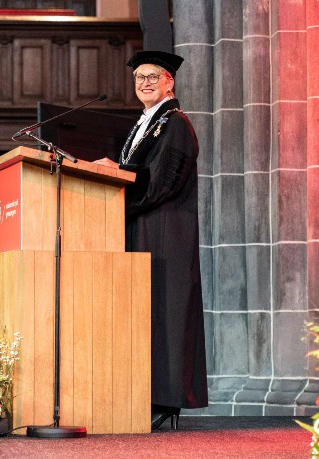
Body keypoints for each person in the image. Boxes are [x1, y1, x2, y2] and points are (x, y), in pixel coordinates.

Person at [95, 50, 207, 430]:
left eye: (151, 77)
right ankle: (145, 394)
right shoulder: (144, 122)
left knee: (165, 310)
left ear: (169, 81)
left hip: (165, 230)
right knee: (144, 311)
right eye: (139, 77)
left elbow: (163, 179)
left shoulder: (174, 123)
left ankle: (167, 399)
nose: (144, 83)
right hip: (144, 226)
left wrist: (120, 171)